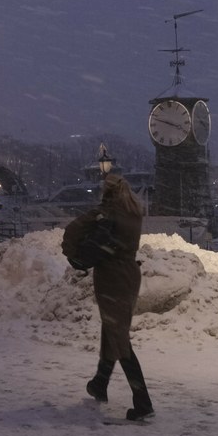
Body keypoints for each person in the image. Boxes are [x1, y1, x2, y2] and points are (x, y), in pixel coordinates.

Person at [62, 173, 153, 422]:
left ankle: (142, 401)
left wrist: (73, 254)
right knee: (113, 328)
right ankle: (100, 383)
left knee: (119, 336)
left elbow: (74, 229)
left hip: (111, 277)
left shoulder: (108, 214)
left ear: (108, 192)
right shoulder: (134, 213)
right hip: (130, 275)